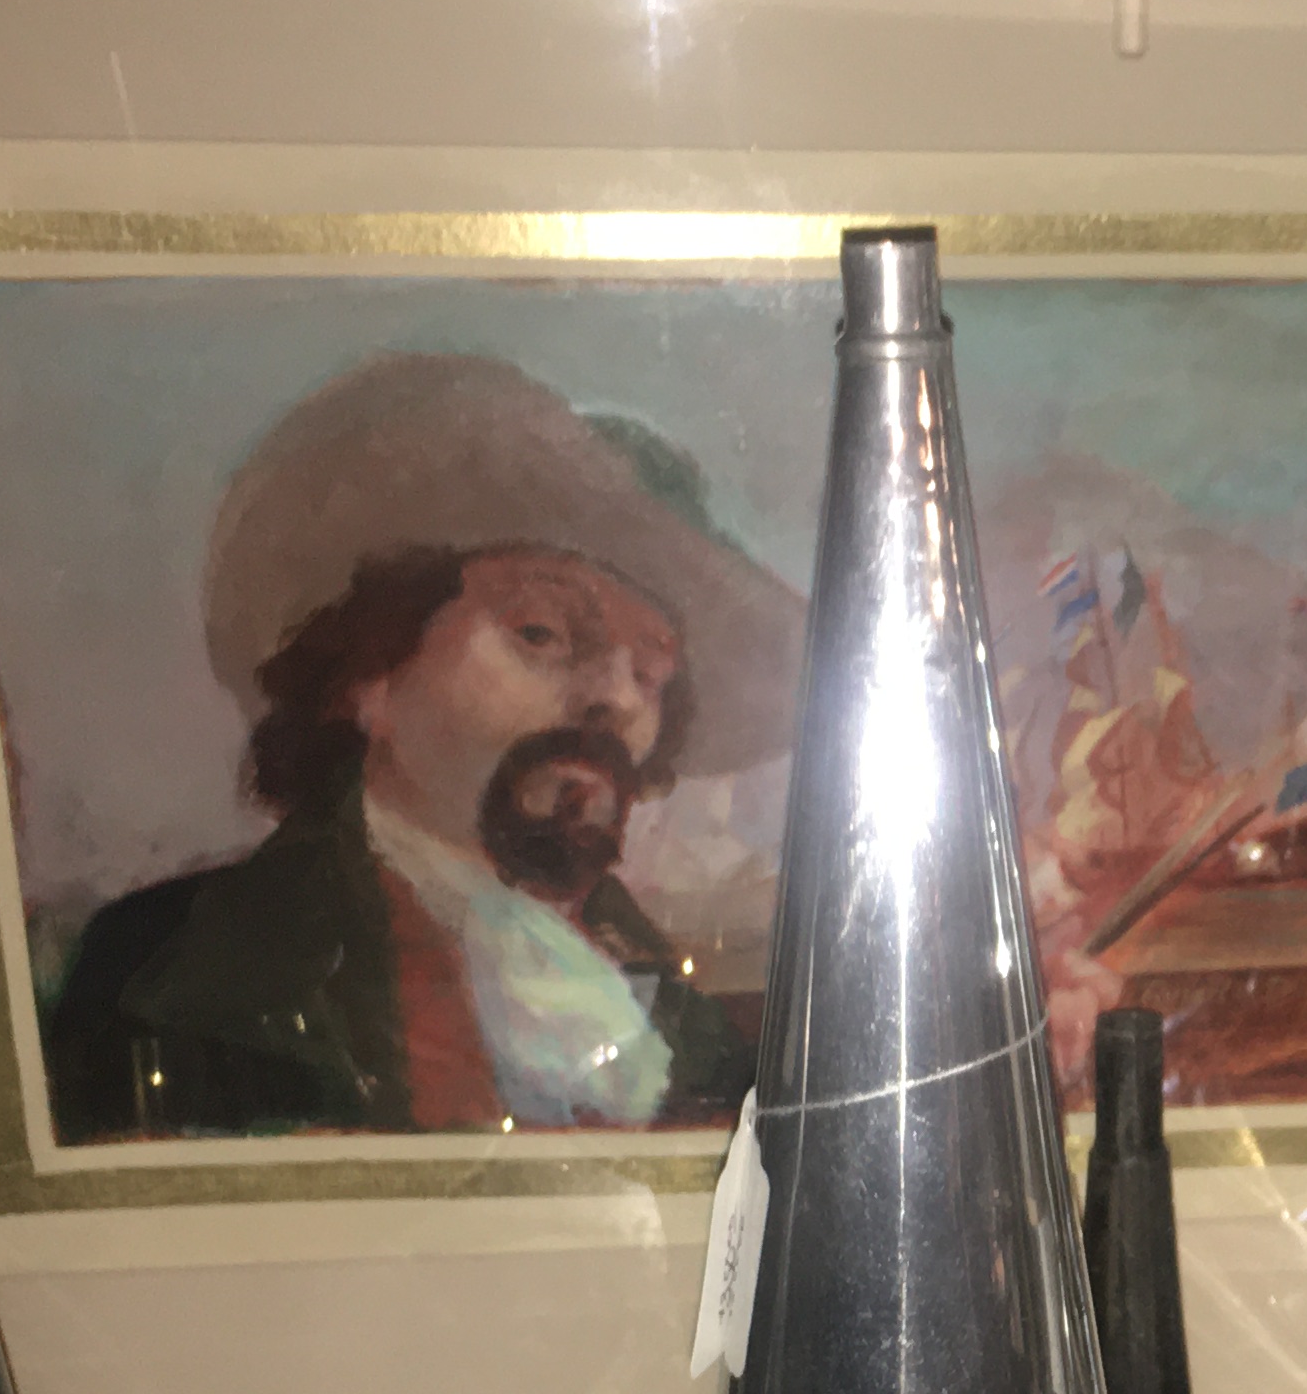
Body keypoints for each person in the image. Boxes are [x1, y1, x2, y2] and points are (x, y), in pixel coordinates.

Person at [46, 354, 798, 1142]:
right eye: (541, 633)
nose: (615, 698)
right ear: (370, 672)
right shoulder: (175, 968)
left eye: (650, 673)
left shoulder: (681, 1017)